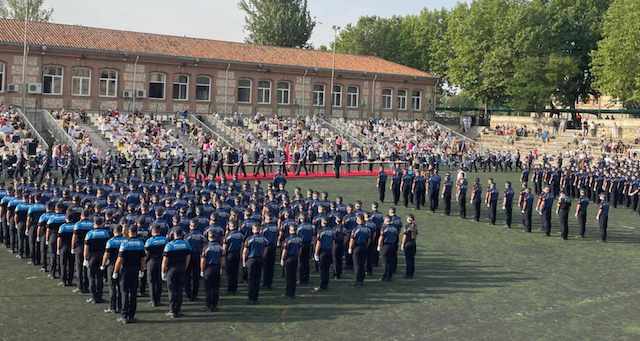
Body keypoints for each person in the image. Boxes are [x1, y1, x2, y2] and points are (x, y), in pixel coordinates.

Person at [113, 226, 145, 324]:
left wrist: (115, 271)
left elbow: (119, 260)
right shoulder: (140, 243)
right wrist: (142, 270)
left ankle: (124, 316)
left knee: (124, 293)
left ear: (129, 232)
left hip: (125, 270)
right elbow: (142, 259)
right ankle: (131, 315)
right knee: (134, 293)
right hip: (135, 270)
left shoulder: (125, 243)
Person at [162, 229, 192, 318]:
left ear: (174, 235)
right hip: (181, 268)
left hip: (171, 270)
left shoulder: (169, 245)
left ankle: (172, 310)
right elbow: (188, 257)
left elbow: (165, 261)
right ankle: (178, 309)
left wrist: (163, 272)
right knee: (179, 290)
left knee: (172, 291)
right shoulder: (186, 244)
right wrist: (185, 267)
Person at [83, 216, 110, 304]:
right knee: (99, 277)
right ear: (102, 223)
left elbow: (86, 248)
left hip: (92, 257)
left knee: (91, 277)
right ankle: (99, 296)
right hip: (102, 257)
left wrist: (85, 259)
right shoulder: (106, 233)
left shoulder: (89, 233)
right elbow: (108, 247)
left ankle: (94, 297)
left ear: (94, 223)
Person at [101, 224, 125, 314]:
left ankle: (112, 307)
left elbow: (106, 255)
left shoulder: (110, 241)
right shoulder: (125, 240)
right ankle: (120, 306)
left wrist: (103, 265)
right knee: (120, 287)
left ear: (114, 231)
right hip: (122, 266)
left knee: (112, 287)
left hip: (112, 266)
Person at [243, 224, 268, 304]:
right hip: (259, 259)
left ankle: (251, 298)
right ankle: (255, 298)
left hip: (251, 260)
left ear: (253, 230)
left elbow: (245, 252)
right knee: (257, 280)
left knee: (251, 280)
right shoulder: (264, 239)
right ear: (259, 229)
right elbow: (265, 249)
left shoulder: (249, 239)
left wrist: (244, 262)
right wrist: (262, 256)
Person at [144, 224, 167, 307]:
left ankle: (153, 300)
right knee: (159, 282)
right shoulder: (165, 239)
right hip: (161, 262)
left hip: (151, 262)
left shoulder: (149, 241)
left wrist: (144, 263)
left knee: (151, 282)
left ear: (152, 231)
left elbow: (146, 254)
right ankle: (158, 300)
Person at [201, 230, 223, 312]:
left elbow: (203, 261)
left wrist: (202, 270)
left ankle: (208, 305)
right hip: (217, 268)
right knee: (216, 288)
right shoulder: (220, 247)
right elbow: (222, 260)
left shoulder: (206, 247)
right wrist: (221, 268)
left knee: (208, 288)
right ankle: (214, 305)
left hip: (208, 269)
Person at [184, 221, 205, 301]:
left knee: (187, 275)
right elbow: (205, 244)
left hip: (188, 256)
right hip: (198, 256)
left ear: (190, 226)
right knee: (196, 276)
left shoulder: (187, 236)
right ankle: (195, 294)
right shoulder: (201, 235)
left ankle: (188, 294)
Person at [349, 214, 370, 286]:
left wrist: (350, 248)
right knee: (362, 264)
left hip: (357, 247)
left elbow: (352, 240)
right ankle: (362, 280)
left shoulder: (355, 229)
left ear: (358, 221)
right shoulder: (368, 229)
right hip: (364, 247)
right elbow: (369, 239)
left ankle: (358, 280)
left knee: (357, 265)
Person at [281, 225, 302, 297]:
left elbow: (285, 250)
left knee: (288, 277)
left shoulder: (287, 239)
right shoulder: (299, 239)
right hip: (296, 258)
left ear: (290, 230)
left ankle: (288, 293)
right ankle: (293, 293)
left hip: (289, 259)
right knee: (294, 276)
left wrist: (282, 259)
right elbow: (300, 250)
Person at [223, 224, 244, 294]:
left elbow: (225, 247)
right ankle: (234, 288)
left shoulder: (228, 235)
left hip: (230, 254)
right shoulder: (241, 235)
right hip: (237, 253)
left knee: (229, 272)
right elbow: (242, 245)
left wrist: (224, 255)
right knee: (235, 272)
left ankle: (230, 288)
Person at [314, 220, 334, 291]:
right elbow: (333, 242)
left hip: (323, 251)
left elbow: (318, 243)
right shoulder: (332, 231)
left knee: (322, 270)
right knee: (327, 269)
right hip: (329, 251)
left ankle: (322, 286)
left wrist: (316, 253)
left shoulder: (321, 231)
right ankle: (326, 284)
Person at [378, 216, 398, 281]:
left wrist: (379, 246)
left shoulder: (384, 228)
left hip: (386, 246)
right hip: (393, 246)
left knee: (385, 262)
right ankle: (389, 276)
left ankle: (385, 276)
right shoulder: (395, 228)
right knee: (390, 262)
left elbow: (381, 237)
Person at [401, 215, 417, 279]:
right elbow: (415, 236)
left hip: (407, 243)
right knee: (412, 259)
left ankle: (408, 274)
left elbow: (405, 236)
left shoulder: (406, 226)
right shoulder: (415, 226)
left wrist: (402, 244)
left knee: (408, 260)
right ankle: (411, 273)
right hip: (413, 243)